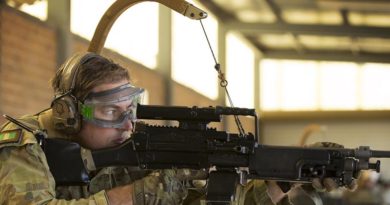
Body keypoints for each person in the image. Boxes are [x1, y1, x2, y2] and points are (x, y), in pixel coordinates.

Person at [0, 52, 347, 204]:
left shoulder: (127, 148)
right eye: (110, 112)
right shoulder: (23, 144)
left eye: (131, 110)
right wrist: (141, 194)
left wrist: (286, 177)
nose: (127, 124)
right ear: (68, 113)